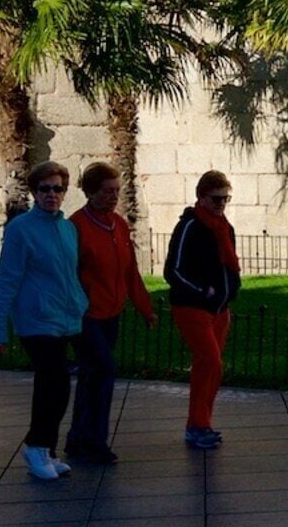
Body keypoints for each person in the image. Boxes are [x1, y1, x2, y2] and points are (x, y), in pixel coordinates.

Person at [0, 162, 85, 481]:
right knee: (52, 384)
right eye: (45, 189)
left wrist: (80, 304)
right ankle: (35, 446)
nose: (52, 195)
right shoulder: (21, 229)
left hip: (64, 318)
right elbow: (7, 280)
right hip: (35, 320)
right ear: (34, 192)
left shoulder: (67, 228)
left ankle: (46, 449)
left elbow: (69, 275)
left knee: (59, 388)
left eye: (58, 188)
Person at [65, 161, 156, 466]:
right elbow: (70, 272)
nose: (113, 196)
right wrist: (78, 306)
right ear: (90, 192)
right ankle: (94, 440)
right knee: (103, 371)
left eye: (116, 191)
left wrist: (145, 307)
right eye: (106, 191)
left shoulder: (117, 224)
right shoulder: (76, 226)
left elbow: (130, 271)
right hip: (86, 314)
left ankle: (77, 438)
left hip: (111, 311)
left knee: (92, 374)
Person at [160, 170, 242, 450]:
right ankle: (196, 424)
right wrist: (200, 291)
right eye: (216, 198)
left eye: (225, 198)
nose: (221, 204)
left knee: (211, 368)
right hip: (193, 306)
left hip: (219, 307)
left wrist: (230, 289)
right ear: (201, 197)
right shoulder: (190, 226)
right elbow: (173, 270)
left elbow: (229, 262)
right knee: (210, 361)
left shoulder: (223, 227)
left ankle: (202, 422)